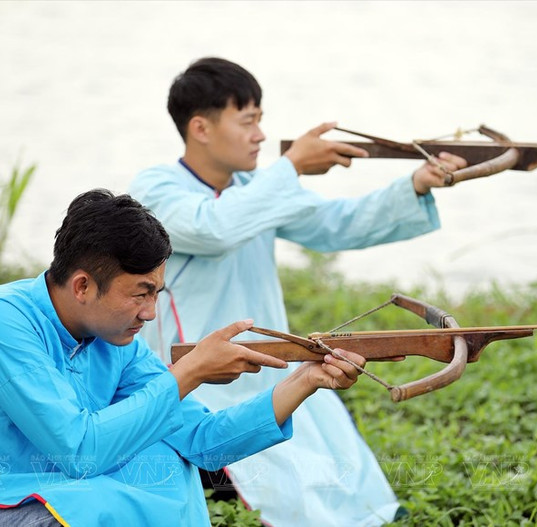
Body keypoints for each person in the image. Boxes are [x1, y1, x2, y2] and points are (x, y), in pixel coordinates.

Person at [128, 57, 467, 526]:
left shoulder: (255, 186)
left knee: (334, 461)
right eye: (248, 122)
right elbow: (213, 229)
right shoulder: (158, 189)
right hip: (200, 380)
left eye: (261, 122)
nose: (260, 136)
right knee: (274, 483)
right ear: (201, 128)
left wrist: (414, 183)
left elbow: (335, 224)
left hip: (268, 363)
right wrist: (289, 168)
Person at [0, 189, 365, 527]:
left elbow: (204, 442)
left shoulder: (115, 342)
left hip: (49, 489)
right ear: (83, 286)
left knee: (162, 454)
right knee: (118, 481)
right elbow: (80, 451)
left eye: (157, 293)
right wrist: (189, 372)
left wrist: (305, 380)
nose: (150, 313)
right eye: (140, 293)